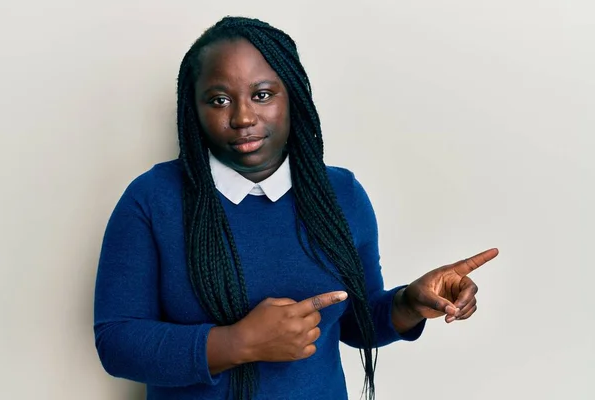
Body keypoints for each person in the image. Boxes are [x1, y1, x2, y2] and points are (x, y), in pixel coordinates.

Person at [93, 16, 498, 400]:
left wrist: (409, 304)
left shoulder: (340, 194)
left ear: (293, 97)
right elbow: (117, 341)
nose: (243, 116)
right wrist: (238, 343)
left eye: (263, 94)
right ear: (192, 111)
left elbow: (356, 323)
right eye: (218, 100)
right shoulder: (152, 199)